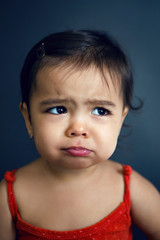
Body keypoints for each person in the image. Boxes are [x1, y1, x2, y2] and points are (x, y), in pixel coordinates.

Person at [0, 30, 160, 240]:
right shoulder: (9, 195)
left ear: (120, 120)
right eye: (58, 109)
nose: (78, 129)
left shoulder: (128, 188)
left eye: (100, 111)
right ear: (28, 119)